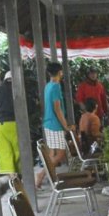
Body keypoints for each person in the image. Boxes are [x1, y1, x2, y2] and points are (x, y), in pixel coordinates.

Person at [36, 61, 75, 189]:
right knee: (60, 154)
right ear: (60, 72)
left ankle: (50, 178)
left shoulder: (48, 86)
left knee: (52, 154)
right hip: (54, 124)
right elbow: (57, 109)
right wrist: (66, 126)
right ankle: (41, 175)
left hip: (48, 122)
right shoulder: (56, 86)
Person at [0, 71, 19, 176]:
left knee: (5, 152)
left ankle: (13, 179)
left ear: (4, 79)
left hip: (3, 126)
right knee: (18, 152)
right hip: (17, 125)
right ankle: (21, 179)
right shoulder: (18, 89)